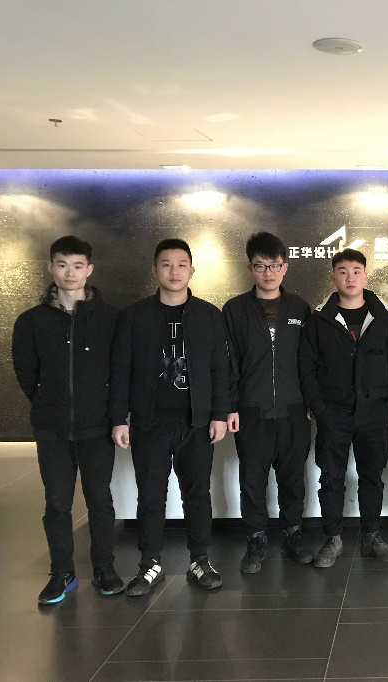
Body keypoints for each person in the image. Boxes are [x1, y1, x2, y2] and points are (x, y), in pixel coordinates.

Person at [110, 239, 229, 596]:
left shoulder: (209, 315)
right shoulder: (134, 316)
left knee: (197, 494)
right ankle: (150, 564)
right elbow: (120, 370)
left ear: (191, 271)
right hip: (149, 423)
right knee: (150, 496)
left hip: (197, 423)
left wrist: (219, 414)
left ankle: (200, 560)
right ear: (155, 270)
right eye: (166, 264)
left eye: (181, 264)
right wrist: (118, 417)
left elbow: (220, 370)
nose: (174, 271)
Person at [12, 235, 123, 604]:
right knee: (57, 504)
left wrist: (114, 415)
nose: (69, 273)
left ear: (89, 269)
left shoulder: (110, 319)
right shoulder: (31, 321)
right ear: (50, 267)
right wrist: (50, 402)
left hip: (97, 427)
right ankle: (62, 573)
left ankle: (104, 568)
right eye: (62, 265)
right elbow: (27, 374)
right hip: (53, 429)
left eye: (77, 266)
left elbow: (120, 372)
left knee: (100, 500)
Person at [299, 249, 388, 568]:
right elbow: (306, 367)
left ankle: (371, 536)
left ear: (365, 276)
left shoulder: (384, 319)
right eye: (343, 271)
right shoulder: (319, 320)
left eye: (356, 271)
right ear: (333, 277)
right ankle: (332, 538)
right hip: (333, 414)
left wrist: (387, 405)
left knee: (372, 477)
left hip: (374, 413)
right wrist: (319, 407)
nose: (350, 277)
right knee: (331, 477)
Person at [223, 232, 313, 574]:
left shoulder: (300, 308)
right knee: (252, 479)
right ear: (250, 268)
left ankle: (293, 535)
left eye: (274, 265)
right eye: (260, 266)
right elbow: (228, 363)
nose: (268, 272)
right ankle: (256, 539)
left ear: (285, 267)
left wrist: (311, 401)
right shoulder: (234, 310)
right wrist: (231, 405)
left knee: (293, 478)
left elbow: (309, 360)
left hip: (294, 409)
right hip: (251, 409)